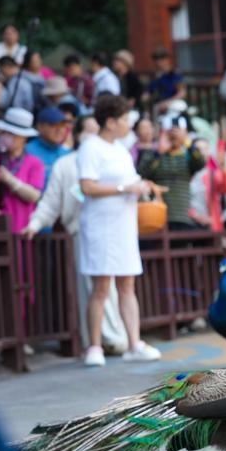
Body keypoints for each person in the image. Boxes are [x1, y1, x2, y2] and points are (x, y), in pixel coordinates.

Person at [22, 115, 129, 353]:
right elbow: (50, 202)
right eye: (87, 130)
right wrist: (35, 223)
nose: (92, 136)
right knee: (92, 287)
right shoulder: (66, 163)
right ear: (77, 134)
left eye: (96, 130)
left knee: (117, 287)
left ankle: (118, 337)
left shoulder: (115, 157)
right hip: (82, 232)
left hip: (116, 229)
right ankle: (97, 341)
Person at [76, 94, 162, 366]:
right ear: (110, 121)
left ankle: (134, 343)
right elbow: (87, 186)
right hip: (101, 225)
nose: (128, 124)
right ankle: (94, 347)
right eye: (124, 119)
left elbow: (131, 181)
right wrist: (125, 188)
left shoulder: (122, 150)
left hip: (124, 224)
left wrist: (142, 186)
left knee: (127, 284)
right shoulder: (91, 147)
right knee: (101, 287)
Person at [137, 111, 206, 231]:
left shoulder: (187, 155)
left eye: (178, 132)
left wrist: (186, 142)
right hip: (158, 215)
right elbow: (143, 172)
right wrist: (159, 152)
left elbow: (200, 163)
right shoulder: (153, 154)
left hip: (183, 217)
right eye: (170, 132)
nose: (173, 136)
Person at [0, 107, 45, 232]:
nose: (7, 137)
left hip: (21, 227)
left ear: (24, 138)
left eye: (13, 134)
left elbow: (35, 196)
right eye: (6, 133)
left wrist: (10, 180)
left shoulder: (35, 163)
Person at [26, 106, 71, 183]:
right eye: (53, 125)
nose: (59, 130)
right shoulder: (27, 152)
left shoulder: (67, 153)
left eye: (62, 125)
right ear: (40, 126)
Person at [146, 46, 185, 113]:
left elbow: (182, 93)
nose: (158, 62)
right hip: (158, 106)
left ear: (167, 59)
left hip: (172, 105)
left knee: (180, 105)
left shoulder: (174, 74)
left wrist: (168, 102)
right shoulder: (155, 77)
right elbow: (149, 93)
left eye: (161, 58)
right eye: (156, 59)